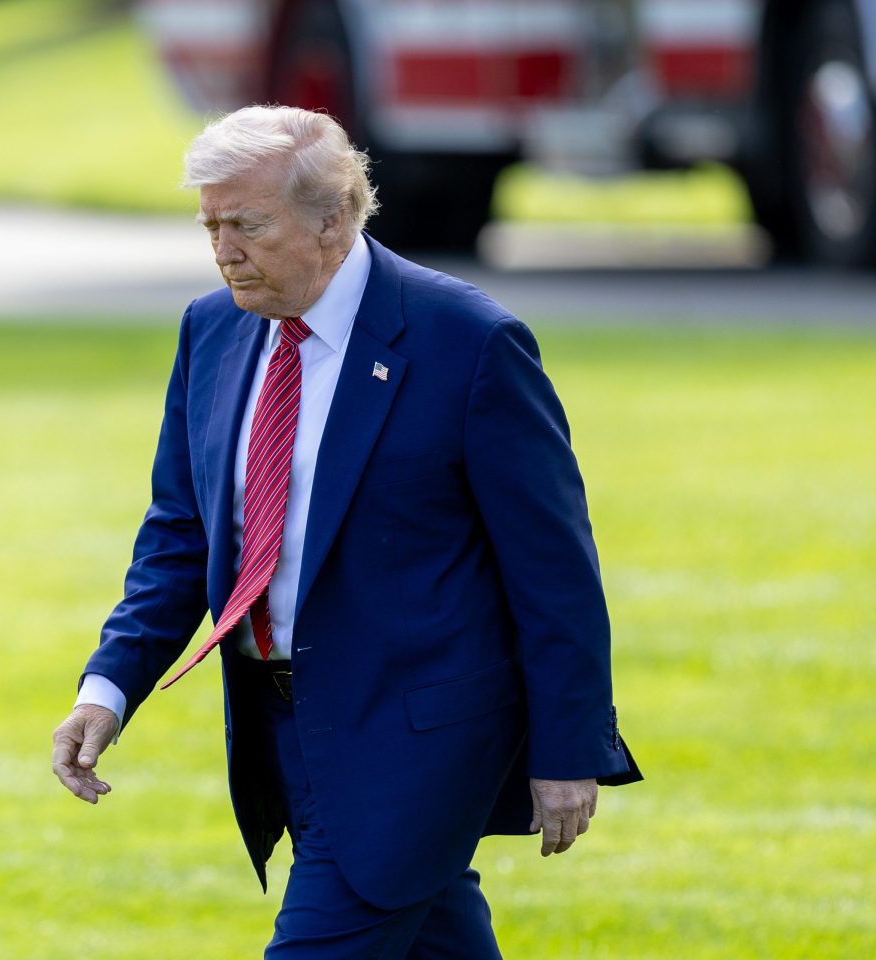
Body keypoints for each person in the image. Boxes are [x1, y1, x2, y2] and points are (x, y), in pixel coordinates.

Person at [51, 105, 641, 958]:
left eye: (247, 225)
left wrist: (568, 746)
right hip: (281, 731)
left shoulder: (468, 343)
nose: (224, 251)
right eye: (210, 227)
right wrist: (107, 689)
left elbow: (553, 571)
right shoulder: (212, 328)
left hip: (415, 747)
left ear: (333, 219)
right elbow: (181, 536)